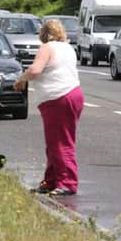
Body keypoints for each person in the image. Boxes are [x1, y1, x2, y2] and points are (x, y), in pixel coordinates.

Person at [14, 19, 84, 196]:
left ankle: (67, 183)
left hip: (58, 97)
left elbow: (36, 70)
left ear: (43, 33)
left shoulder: (47, 48)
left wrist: (21, 79)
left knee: (61, 143)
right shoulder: (68, 48)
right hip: (73, 94)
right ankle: (51, 180)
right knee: (55, 142)